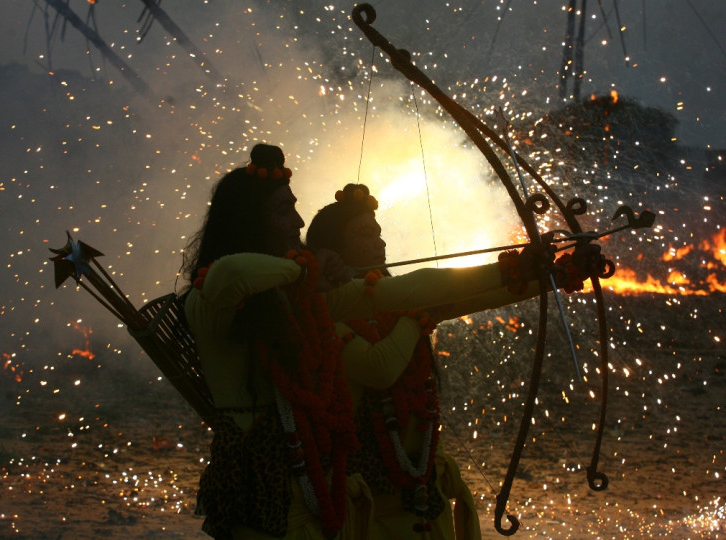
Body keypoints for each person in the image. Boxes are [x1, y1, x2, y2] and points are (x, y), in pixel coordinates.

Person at [181, 145, 595, 539]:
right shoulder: (212, 298)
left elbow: (416, 290)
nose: (297, 222)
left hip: (312, 488)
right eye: (283, 210)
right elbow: (227, 277)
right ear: (249, 220)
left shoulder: (303, 296)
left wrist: (529, 271)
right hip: (260, 493)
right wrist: (303, 272)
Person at [306, 183, 605, 539]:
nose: (380, 244)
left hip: (422, 493)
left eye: (379, 233)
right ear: (333, 253)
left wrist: (556, 273)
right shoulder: (321, 310)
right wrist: (418, 316)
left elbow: (478, 294)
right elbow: (379, 368)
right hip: (368, 507)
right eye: (366, 235)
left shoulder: (398, 303)